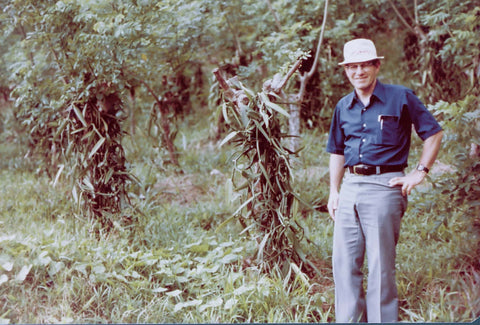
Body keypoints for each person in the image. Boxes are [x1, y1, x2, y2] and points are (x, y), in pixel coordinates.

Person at [326, 38, 443, 323]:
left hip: (385, 185)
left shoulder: (400, 97)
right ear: (346, 70)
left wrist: (419, 172)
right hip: (350, 187)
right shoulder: (343, 106)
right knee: (343, 263)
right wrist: (333, 191)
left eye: (365, 64)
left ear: (377, 65)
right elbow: (337, 151)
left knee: (380, 265)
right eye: (352, 66)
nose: (358, 71)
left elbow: (434, 133)